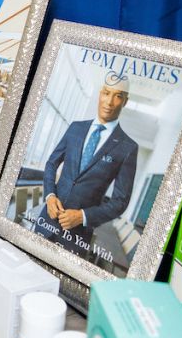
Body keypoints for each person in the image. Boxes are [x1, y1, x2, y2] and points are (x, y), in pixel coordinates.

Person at [33, 73, 138, 260]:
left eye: (118, 96)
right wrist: (50, 196)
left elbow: (120, 202)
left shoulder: (127, 148)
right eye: (106, 93)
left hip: (77, 237)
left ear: (125, 102)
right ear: (100, 94)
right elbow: (51, 163)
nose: (110, 102)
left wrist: (82, 216)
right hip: (46, 221)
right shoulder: (75, 128)